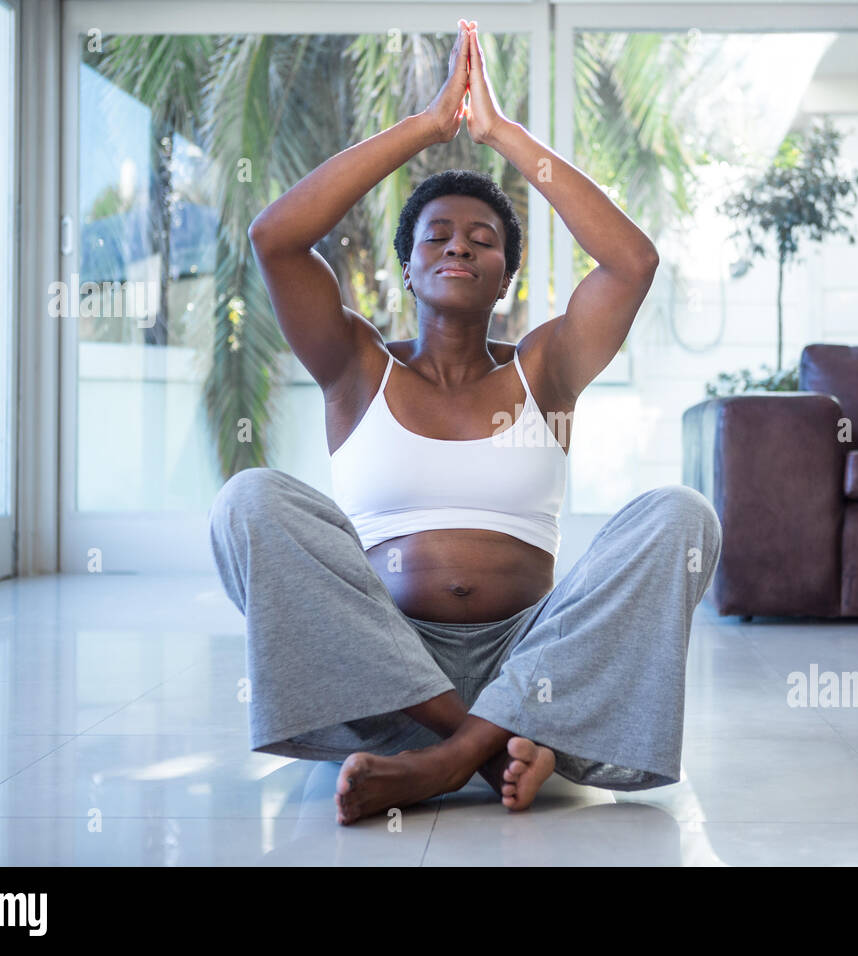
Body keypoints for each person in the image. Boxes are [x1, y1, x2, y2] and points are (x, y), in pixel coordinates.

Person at [208, 19, 722, 825]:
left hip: (544, 666)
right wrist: (426, 126)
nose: (458, 247)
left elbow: (633, 262)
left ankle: (450, 759)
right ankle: (484, 743)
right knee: (247, 499)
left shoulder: (544, 367)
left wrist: (499, 132)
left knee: (682, 517)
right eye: (436, 236)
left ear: (506, 276)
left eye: (482, 240)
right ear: (407, 267)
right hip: (387, 682)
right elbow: (276, 239)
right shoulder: (355, 365)